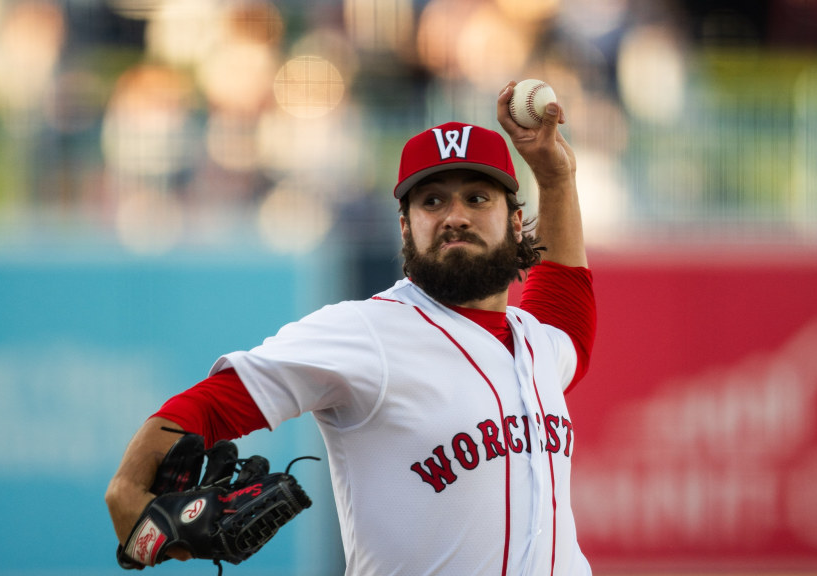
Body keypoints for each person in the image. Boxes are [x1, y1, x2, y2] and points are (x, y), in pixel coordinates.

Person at [106, 80, 597, 575]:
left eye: (477, 198)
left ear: (516, 223)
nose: (455, 217)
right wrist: (128, 487)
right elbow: (215, 402)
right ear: (405, 227)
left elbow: (567, 316)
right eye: (431, 202)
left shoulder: (537, 343)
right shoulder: (367, 331)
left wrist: (555, 181)